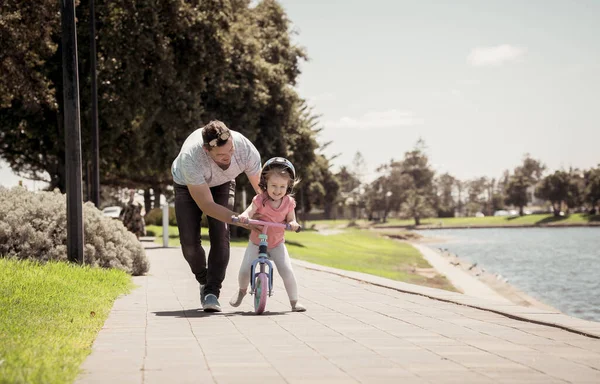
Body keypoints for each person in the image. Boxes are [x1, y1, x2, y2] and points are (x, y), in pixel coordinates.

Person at [171, 120, 262, 312]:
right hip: (187, 185)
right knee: (189, 244)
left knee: (220, 233)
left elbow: (262, 191)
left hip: (223, 183)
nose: (228, 157)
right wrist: (241, 221)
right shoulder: (191, 158)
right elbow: (207, 206)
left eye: (230, 150)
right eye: (221, 155)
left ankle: (212, 291)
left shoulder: (243, 147)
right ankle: (204, 280)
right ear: (206, 150)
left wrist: (275, 214)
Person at [230, 157, 306, 312]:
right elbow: (250, 210)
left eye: (282, 186)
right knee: (245, 270)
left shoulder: (288, 203)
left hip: (277, 243)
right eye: (273, 185)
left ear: (288, 186)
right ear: (265, 183)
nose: (277, 190)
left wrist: (293, 224)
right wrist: (245, 216)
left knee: (287, 270)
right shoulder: (260, 199)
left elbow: (291, 218)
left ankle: (294, 301)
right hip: (256, 242)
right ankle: (242, 290)